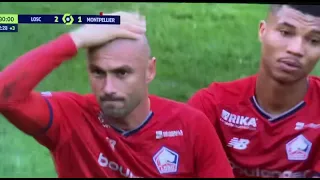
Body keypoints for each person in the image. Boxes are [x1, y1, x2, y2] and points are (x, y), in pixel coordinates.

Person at [0, 11, 234, 178]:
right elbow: (5, 95)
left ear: (149, 70)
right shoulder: (69, 118)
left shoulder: (191, 126)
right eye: (98, 73)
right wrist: (77, 38)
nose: (108, 88)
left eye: (122, 73)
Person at [188, 4, 320, 178]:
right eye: (285, 32)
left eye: (314, 41)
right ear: (262, 31)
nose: (296, 49)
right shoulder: (212, 106)